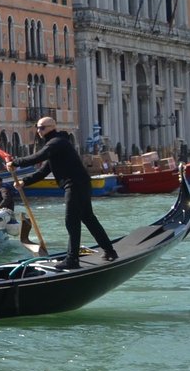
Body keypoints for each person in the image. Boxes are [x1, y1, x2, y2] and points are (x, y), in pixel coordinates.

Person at [9, 115, 116, 269]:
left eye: (42, 128)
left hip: (75, 185)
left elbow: (38, 157)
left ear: (52, 128)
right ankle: (109, 251)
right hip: (80, 184)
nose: (39, 131)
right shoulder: (55, 145)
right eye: (38, 127)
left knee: (72, 221)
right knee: (88, 218)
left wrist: (15, 162)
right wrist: (24, 182)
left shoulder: (56, 142)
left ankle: (72, 260)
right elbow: (44, 171)